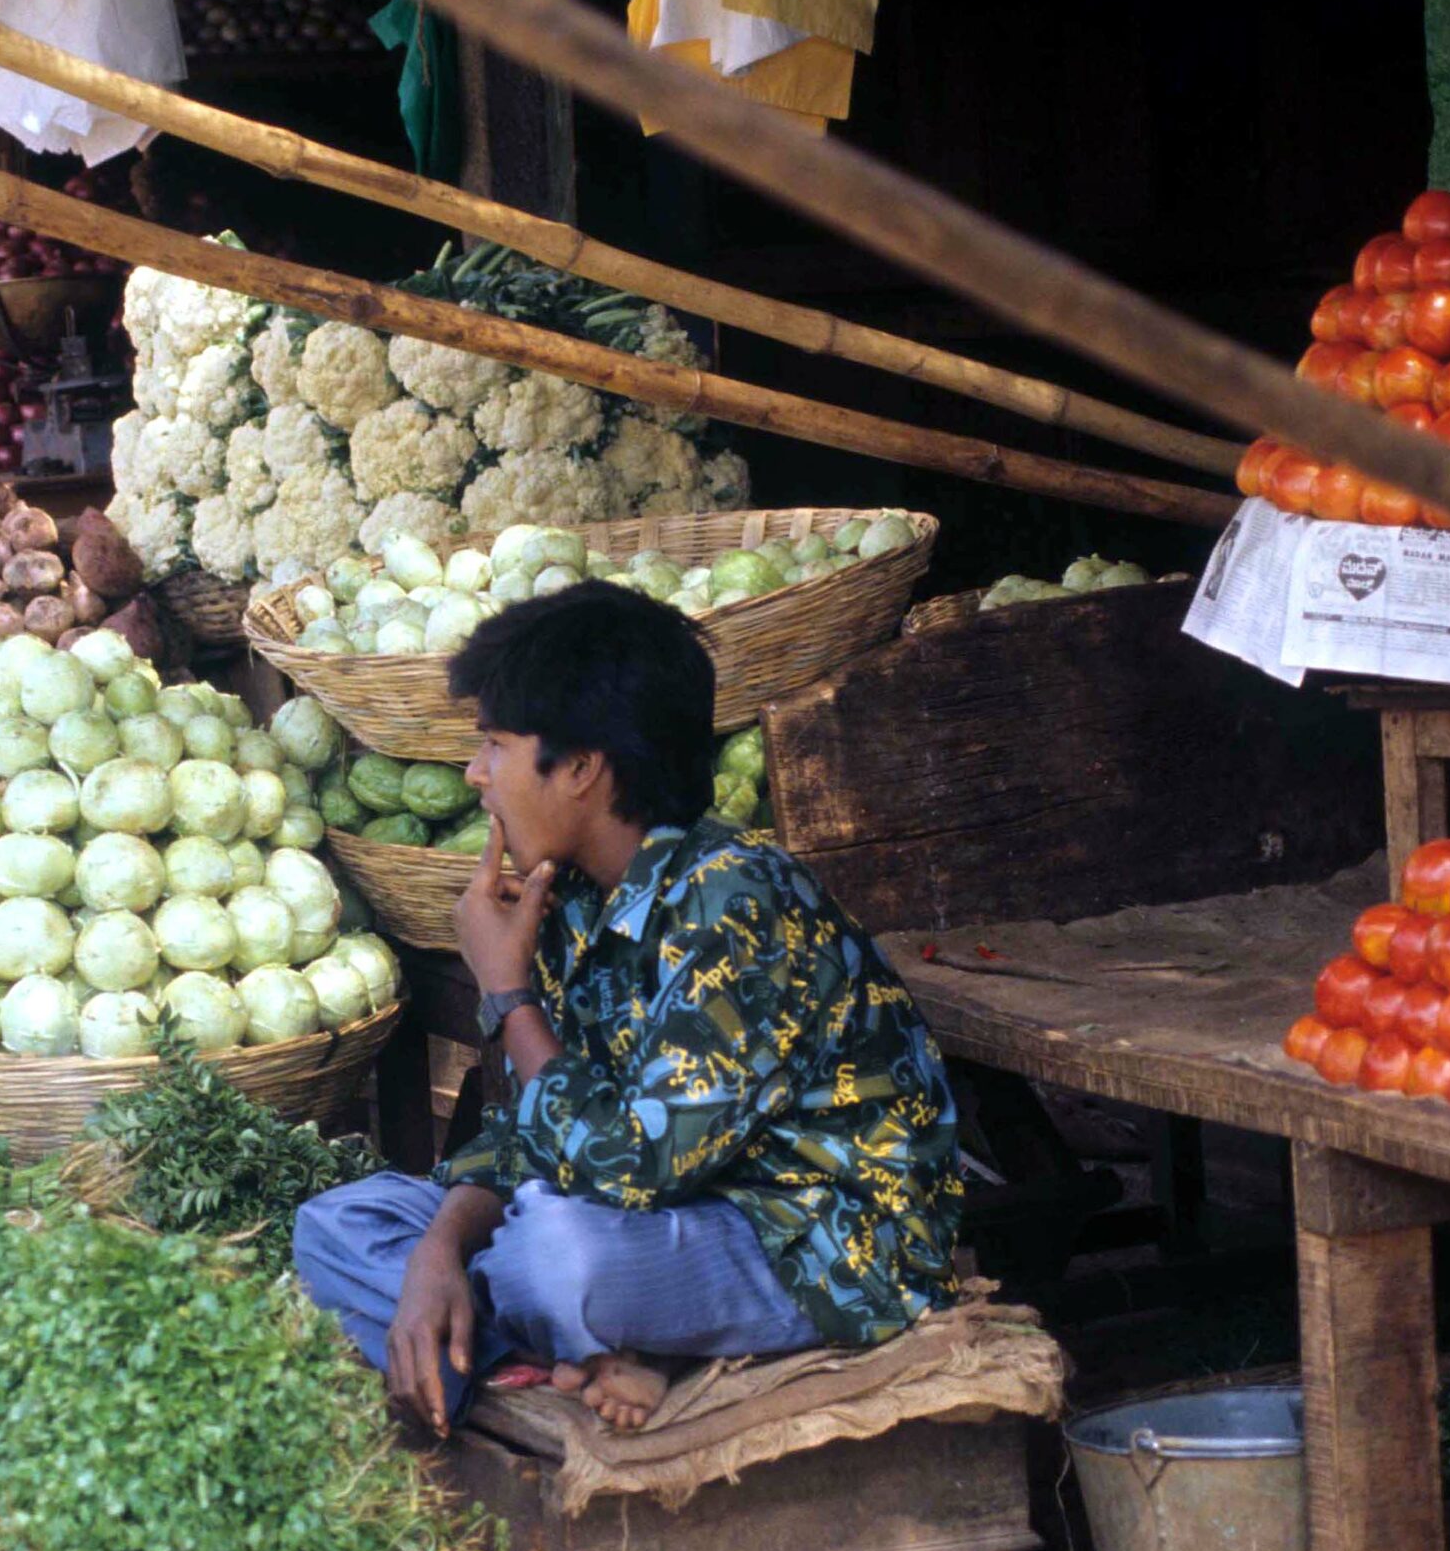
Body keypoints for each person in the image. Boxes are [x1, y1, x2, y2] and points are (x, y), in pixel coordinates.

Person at [294, 584, 961, 1435]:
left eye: (494, 745)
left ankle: (575, 1343)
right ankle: (566, 1357)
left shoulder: (735, 902)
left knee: (556, 1258)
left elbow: (630, 1168)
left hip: (809, 1238)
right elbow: (541, 1137)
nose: (475, 775)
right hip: (658, 1210)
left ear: (581, 768)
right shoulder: (572, 899)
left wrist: (506, 994)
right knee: (336, 1224)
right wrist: (434, 1254)